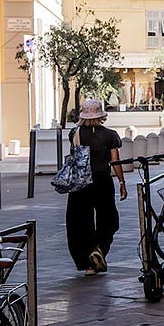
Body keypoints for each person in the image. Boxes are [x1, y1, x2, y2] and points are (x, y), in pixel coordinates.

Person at [65, 98, 126, 274]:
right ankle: (99, 249)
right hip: (102, 181)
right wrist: (122, 183)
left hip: (80, 183)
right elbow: (116, 161)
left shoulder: (75, 134)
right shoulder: (110, 135)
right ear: (101, 115)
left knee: (80, 222)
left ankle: (88, 264)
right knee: (108, 219)